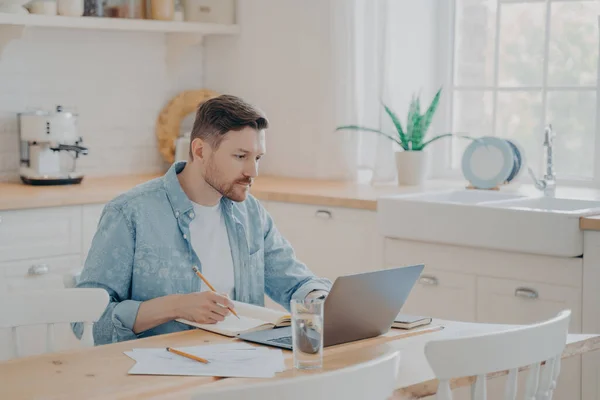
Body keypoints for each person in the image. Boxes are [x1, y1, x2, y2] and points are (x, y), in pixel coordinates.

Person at [73, 94, 332, 345]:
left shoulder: (251, 213)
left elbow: (296, 283)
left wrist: (318, 298)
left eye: (257, 158)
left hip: (242, 367)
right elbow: (85, 321)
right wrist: (175, 306)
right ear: (200, 151)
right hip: (160, 372)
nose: (253, 172)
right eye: (240, 156)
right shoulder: (130, 213)